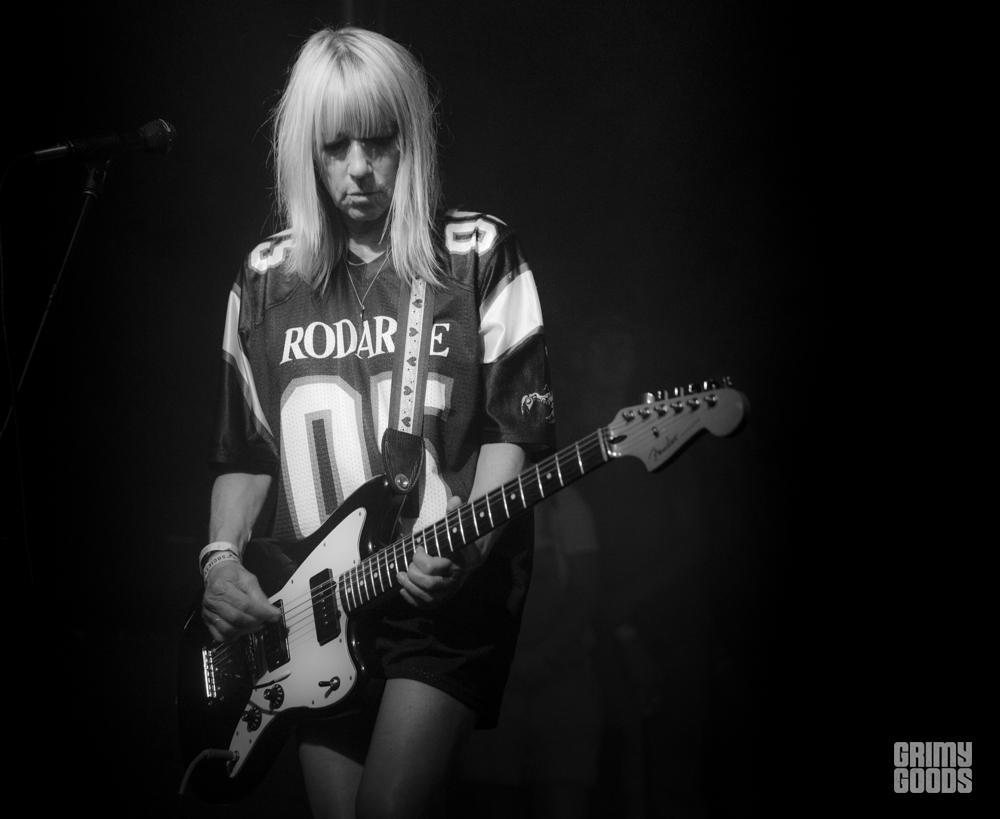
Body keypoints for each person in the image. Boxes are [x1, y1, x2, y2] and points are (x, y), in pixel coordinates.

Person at [197, 26, 554, 819]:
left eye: (380, 142)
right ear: (305, 152)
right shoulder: (263, 280)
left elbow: (513, 434)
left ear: (412, 140)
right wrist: (219, 562)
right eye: (334, 146)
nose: (358, 168)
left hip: (440, 607)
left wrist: (467, 548)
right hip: (317, 613)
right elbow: (246, 451)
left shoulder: (477, 254)